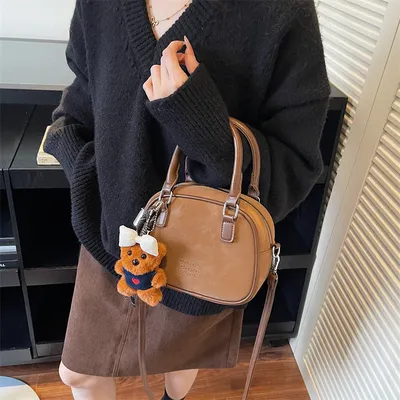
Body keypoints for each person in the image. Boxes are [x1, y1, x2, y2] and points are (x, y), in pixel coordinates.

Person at [44, 0, 330, 399]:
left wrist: (202, 126)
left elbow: (294, 163)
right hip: (111, 234)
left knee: (179, 364)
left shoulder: (280, 10)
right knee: (79, 374)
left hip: (203, 251)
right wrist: (78, 160)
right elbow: (85, 89)